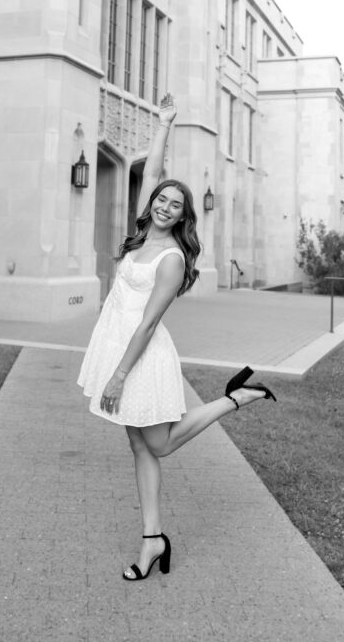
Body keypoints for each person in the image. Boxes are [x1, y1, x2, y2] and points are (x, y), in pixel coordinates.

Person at [77, 93, 277, 581]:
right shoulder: (142, 235)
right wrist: (165, 123)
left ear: (184, 217)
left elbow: (147, 323)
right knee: (139, 448)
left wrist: (120, 375)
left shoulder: (171, 259)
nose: (165, 206)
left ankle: (236, 399)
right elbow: (150, 173)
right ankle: (152, 541)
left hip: (140, 356)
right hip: (115, 343)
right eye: (162, 200)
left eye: (174, 205)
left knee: (160, 445)